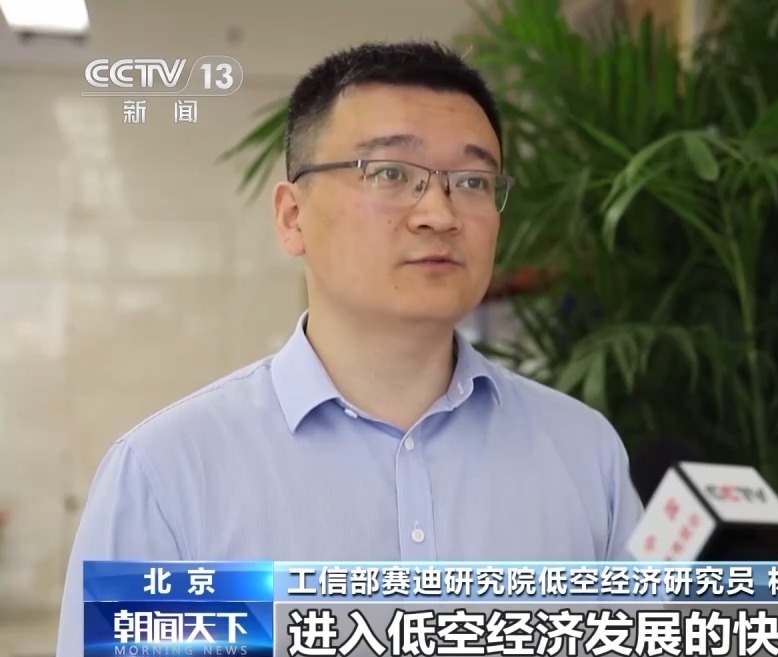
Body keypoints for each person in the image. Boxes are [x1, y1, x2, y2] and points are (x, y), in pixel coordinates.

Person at [56, 40, 644, 655]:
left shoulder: (585, 454)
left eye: (473, 181)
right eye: (390, 173)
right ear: (292, 216)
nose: (439, 213)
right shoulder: (166, 474)